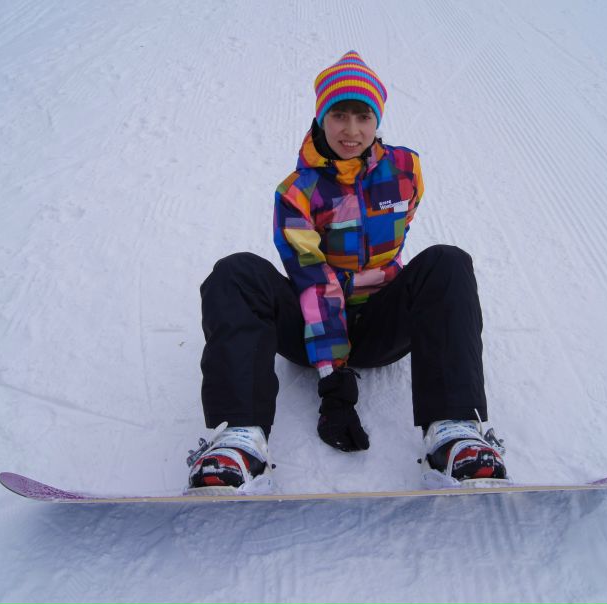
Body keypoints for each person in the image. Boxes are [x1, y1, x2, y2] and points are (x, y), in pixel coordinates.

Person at [186, 51, 507, 494]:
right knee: (235, 273)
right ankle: (239, 443)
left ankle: (453, 435)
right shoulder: (297, 193)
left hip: (380, 327)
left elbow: (404, 225)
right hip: (309, 326)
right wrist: (333, 384)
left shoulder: (406, 170)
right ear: (321, 118)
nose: (351, 130)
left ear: (377, 120)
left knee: (448, 262)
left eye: (363, 116)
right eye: (339, 115)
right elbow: (313, 283)